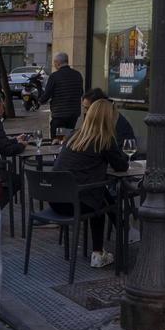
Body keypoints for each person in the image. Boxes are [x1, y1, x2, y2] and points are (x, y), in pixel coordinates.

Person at [52, 99, 129, 268]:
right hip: (76, 203)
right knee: (99, 201)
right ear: (110, 118)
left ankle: (125, 233)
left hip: (56, 200)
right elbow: (122, 166)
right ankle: (99, 252)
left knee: (102, 195)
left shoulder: (74, 135)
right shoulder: (104, 140)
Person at [40, 52, 84, 137]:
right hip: (73, 114)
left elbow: (47, 94)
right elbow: (80, 92)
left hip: (59, 114)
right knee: (67, 138)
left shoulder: (54, 76)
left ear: (58, 63)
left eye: (55, 62)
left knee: (56, 139)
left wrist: (40, 101)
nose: (54, 64)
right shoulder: (77, 75)